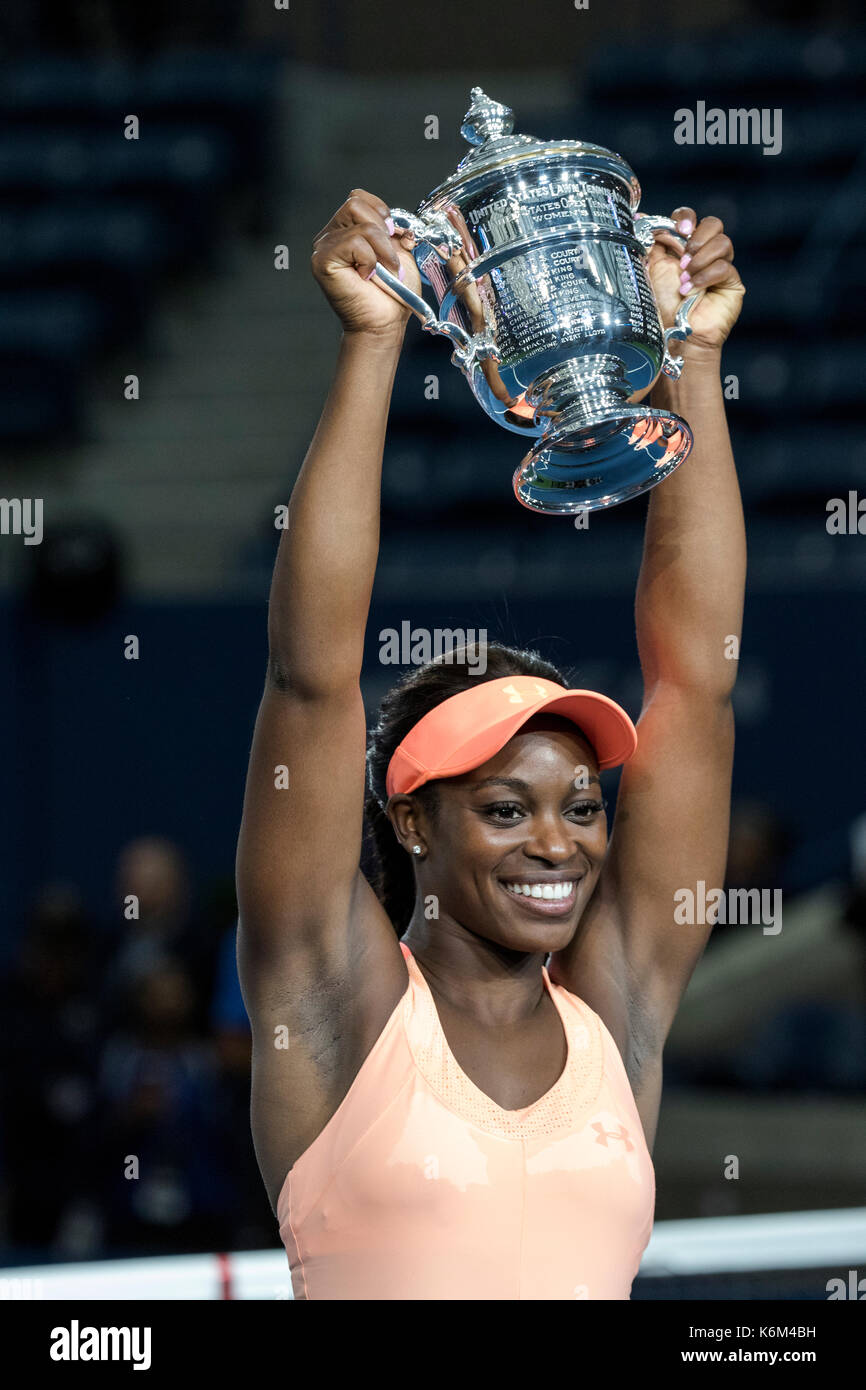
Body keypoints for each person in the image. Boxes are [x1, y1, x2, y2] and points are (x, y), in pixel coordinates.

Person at [235, 189, 746, 1300]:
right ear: (411, 818)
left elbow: (694, 684)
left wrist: (685, 356)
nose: (555, 843)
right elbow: (312, 682)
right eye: (504, 809)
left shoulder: (616, 1003)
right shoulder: (337, 1001)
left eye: (579, 804)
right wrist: (374, 342)